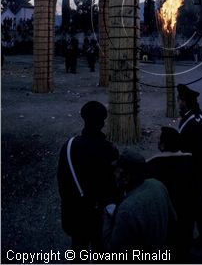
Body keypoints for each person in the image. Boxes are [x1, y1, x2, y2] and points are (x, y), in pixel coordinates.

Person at [57, 101, 119, 254]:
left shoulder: (69, 145)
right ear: (103, 122)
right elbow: (112, 185)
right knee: (100, 251)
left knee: (78, 249)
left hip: (75, 212)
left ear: (83, 118)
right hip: (98, 215)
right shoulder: (108, 150)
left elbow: (62, 181)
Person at [103, 150, 176, 257]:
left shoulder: (127, 210)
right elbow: (173, 220)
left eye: (118, 171)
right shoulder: (157, 184)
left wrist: (108, 219)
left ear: (126, 178)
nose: (114, 174)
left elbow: (113, 249)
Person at [146, 127, 195, 260]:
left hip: (164, 219)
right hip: (187, 217)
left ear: (162, 145)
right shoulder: (191, 162)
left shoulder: (152, 166)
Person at [177, 83, 202, 251]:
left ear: (184, 101)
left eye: (179, 100)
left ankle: (201, 241)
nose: (178, 103)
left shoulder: (193, 121)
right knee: (199, 207)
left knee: (194, 207)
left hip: (196, 172)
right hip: (200, 171)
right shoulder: (195, 116)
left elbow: (197, 151)